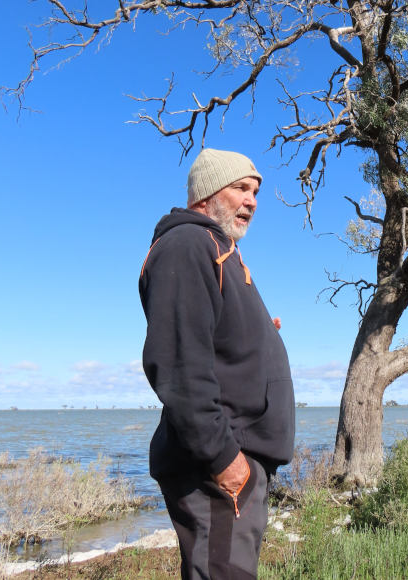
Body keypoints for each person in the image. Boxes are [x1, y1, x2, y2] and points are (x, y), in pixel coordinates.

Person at [139, 148, 295, 579]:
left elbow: (214, 340)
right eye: (241, 189)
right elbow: (176, 363)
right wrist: (224, 458)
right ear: (207, 194)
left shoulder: (220, 249)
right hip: (218, 466)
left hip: (236, 462)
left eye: (256, 192)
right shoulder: (189, 244)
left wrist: (261, 333)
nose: (253, 201)